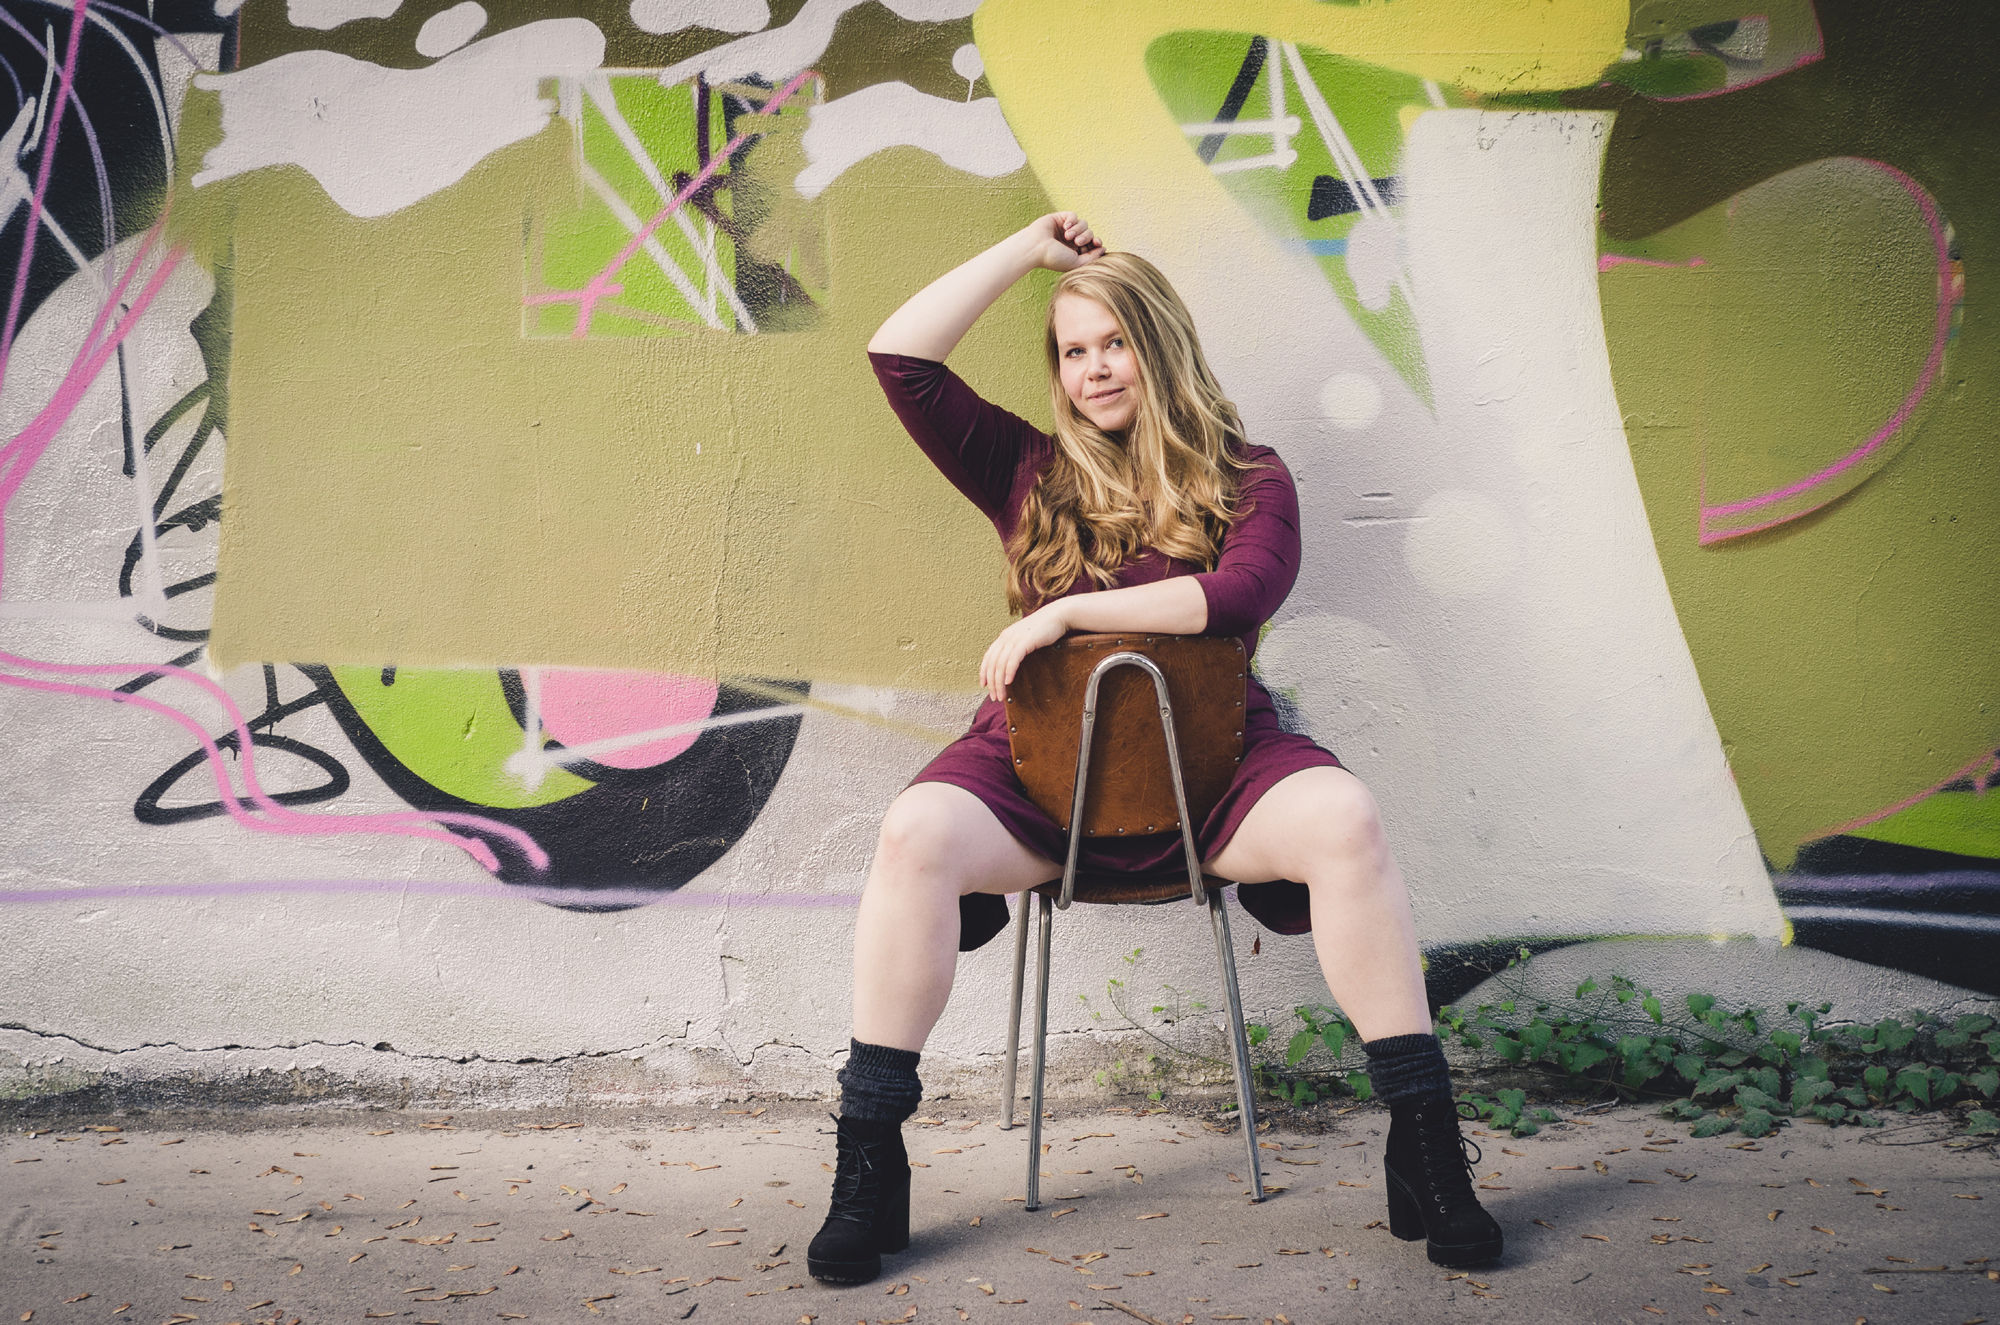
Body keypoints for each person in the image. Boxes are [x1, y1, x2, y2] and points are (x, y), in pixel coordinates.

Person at [805, 212, 1501, 1285]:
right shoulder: (1028, 471)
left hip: (1215, 776)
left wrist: (1065, 614)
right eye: (1071, 351)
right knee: (913, 832)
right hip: (1036, 781)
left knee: (1344, 818)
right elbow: (899, 356)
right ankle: (869, 1159)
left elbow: (1241, 593)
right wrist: (1026, 251)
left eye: (1114, 342)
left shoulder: (1249, 476)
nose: (1092, 369)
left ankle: (1425, 1146)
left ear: (1160, 344)